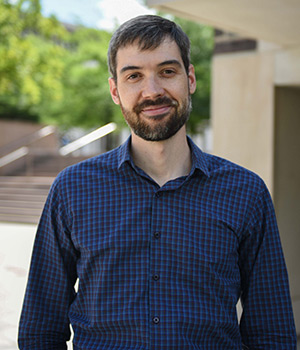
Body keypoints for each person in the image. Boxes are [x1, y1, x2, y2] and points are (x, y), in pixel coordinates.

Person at [18, 15, 297, 349]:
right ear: (115, 91)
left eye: (167, 72)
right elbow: (40, 328)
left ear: (189, 78)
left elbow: (272, 332)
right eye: (134, 76)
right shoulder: (72, 190)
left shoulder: (246, 193)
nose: (152, 91)